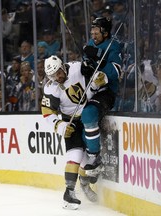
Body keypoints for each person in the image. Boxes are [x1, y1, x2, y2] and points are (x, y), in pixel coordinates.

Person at [41, 55, 106, 209]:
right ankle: (69, 192)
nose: (57, 77)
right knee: (75, 155)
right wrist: (60, 126)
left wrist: (98, 80)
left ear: (63, 66)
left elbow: (95, 77)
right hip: (70, 121)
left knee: (87, 162)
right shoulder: (50, 87)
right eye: (52, 75)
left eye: (58, 73)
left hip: (89, 113)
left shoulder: (77, 68)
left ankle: (84, 184)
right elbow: (47, 113)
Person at [80, 16, 122, 173]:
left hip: (106, 92)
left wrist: (99, 60)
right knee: (80, 120)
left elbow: (116, 70)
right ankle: (91, 162)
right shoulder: (90, 44)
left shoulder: (114, 46)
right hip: (90, 89)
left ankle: (95, 156)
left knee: (89, 113)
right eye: (92, 30)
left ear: (105, 32)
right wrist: (85, 66)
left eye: (96, 31)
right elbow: (87, 63)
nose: (93, 34)